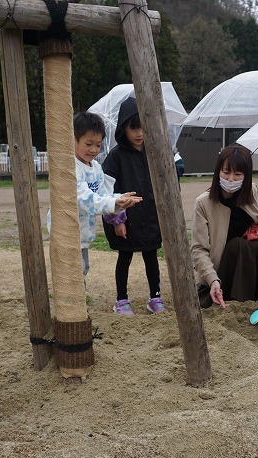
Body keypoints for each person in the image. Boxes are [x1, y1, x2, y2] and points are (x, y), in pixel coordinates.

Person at [48, 112, 141, 279]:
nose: (93, 150)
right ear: (73, 140)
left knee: (82, 269)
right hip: (66, 231)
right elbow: (84, 199)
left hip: (83, 232)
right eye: (88, 144)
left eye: (98, 145)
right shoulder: (70, 168)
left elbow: (102, 194)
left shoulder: (96, 168)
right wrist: (114, 202)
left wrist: (118, 199)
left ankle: (78, 295)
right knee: (73, 273)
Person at [191, 145, 258, 309]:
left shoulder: (251, 192)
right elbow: (198, 248)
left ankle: (242, 302)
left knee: (242, 245)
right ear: (218, 171)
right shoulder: (203, 203)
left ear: (246, 176)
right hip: (220, 266)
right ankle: (229, 294)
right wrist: (212, 279)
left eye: (237, 174)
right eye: (226, 172)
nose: (231, 179)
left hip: (249, 258)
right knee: (237, 245)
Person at [101, 97, 165, 315]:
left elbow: (170, 174)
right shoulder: (116, 156)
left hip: (150, 217)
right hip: (126, 219)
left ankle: (155, 297)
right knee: (125, 256)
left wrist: (177, 163)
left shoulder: (155, 152)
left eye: (143, 127)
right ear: (123, 128)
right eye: (133, 128)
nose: (139, 133)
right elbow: (107, 191)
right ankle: (121, 299)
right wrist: (117, 220)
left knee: (151, 255)